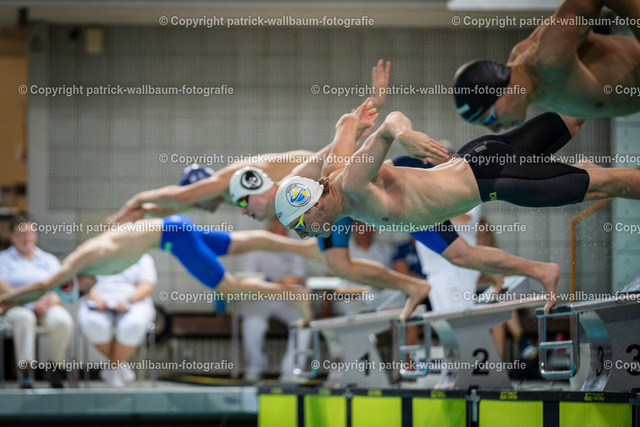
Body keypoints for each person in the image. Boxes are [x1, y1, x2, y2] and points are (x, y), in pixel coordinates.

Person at [275, 110, 640, 313]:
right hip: (479, 156)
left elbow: (388, 126)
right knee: (575, 116)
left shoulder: (352, 184)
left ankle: (590, 162)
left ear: (315, 204)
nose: (303, 234)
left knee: (605, 186)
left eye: (301, 225)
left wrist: (405, 135)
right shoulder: (332, 172)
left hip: (493, 177)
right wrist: (357, 116)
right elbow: (344, 124)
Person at [111, 59, 392, 224]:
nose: (196, 206)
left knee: (369, 178)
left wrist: (137, 199)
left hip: (318, 172)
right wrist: (144, 213)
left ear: (203, 189)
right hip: (314, 182)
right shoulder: (227, 195)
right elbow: (177, 205)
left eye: (197, 199)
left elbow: (180, 197)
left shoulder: (226, 181)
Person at [0, 215, 321, 327]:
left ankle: (294, 295)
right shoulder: (93, 261)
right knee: (236, 244)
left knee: (228, 286)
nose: (90, 286)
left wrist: (7, 300)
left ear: (74, 280)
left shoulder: (80, 260)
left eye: (84, 288)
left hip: (173, 237)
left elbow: (42, 286)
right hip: (174, 228)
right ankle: (305, 247)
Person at [453, 0, 640, 131]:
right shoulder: (530, 86)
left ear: (499, 88)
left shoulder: (549, 59)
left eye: (490, 119)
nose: (495, 130)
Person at [0, 215, 74, 388]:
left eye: (30, 233)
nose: (27, 238)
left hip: (45, 306)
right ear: (12, 237)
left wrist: (48, 302)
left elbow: (59, 289)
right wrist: (29, 299)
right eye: (21, 234)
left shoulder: (48, 260)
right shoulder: (3, 259)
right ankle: (26, 371)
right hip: (16, 305)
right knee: (25, 319)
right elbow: (2, 286)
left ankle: (54, 368)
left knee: (63, 320)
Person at [240, 217, 311, 381]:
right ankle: (254, 368)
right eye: (278, 226)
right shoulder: (256, 247)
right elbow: (249, 279)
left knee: (303, 324)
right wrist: (279, 282)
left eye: (284, 227)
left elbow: (297, 279)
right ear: (270, 226)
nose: (282, 231)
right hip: (260, 300)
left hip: (287, 300)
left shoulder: (294, 248)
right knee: (253, 324)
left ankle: (291, 371)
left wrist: (272, 282)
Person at [78, 254, 157, 388]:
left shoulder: (143, 257)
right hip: (98, 301)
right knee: (93, 324)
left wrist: (128, 301)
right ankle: (118, 366)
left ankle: (112, 369)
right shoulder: (93, 253)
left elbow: (147, 285)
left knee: (133, 324)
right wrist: (96, 299)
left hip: (133, 302)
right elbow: (82, 282)